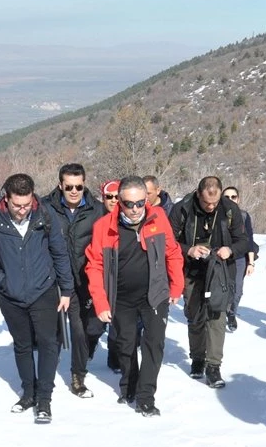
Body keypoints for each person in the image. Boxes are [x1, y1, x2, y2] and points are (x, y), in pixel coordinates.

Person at [85, 176, 184, 416]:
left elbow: (172, 251)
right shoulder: (104, 226)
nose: (135, 209)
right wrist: (100, 302)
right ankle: (129, 385)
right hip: (121, 297)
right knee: (126, 345)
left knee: (154, 345)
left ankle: (145, 396)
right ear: (119, 201)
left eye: (141, 202)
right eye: (129, 204)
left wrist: (176, 285)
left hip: (155, 294)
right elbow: (94, 266)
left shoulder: (158, 218)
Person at [0, 173, 74, 422]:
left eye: (26, 204)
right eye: (17, 205)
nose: (22, 210)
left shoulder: (45, 216)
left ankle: (44, 397)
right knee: (22, 345)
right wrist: (2, 281)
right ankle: (28, 393)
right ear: (7, 198)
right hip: (11, 296)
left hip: (43, 291)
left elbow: (59, 253)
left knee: (48, 343)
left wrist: (66, 290)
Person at [168, 177, 251, 388]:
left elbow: (244, 241)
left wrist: (229, 249)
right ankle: (197, 358)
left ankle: (213, 366)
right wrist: (189, 250)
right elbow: (168, 241)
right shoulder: (182, 209)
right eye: (207, 203)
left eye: (215, 203)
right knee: (195, 316)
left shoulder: (230, 210)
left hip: (220, 271)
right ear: (198, 194)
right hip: (192, 270)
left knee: (217, 317)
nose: (211, 207)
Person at [42, 163, 107, 399]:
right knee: (62, 332)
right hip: (55, 280)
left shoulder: (97, 210)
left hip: (85, 280)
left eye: (79, 186)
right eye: (68, 186)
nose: (74, 191)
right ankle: (64, 377)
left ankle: (81, 366)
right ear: (60, 185)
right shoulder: (45, 207)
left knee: (86, 329)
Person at [221, 186, 259, 333]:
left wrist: (251, 262)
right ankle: (220, 314)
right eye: (227, 197)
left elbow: (249, 239)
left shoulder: (243, 216)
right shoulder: (217, 215)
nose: (230, 200)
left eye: (233, 197)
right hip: (221, 257)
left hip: (239, 258)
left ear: (238, 199)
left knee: (237, 290)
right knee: (222, 288)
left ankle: (231, 314)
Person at [99, 179, 123, 374]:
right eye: (110, 197)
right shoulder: (96, 220)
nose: (114, 200)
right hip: (101, 277)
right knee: (94, 328)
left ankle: (116, 357)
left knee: (121, 322)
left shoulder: (128, 218)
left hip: (123, 277)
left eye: (117, 197)